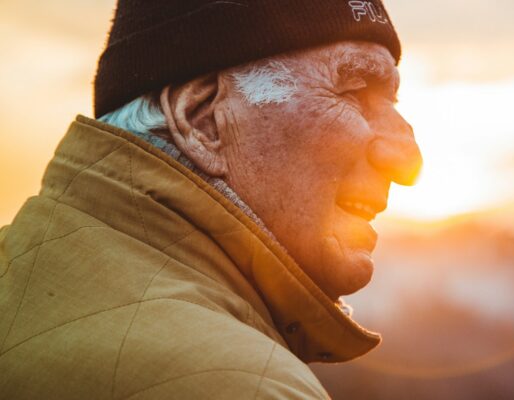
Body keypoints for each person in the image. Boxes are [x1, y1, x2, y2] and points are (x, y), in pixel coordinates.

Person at [0, 1, 421, 398]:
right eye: (352, 92)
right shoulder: (249, 387)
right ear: (202, 121)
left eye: (393, 102)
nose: (407, 159)